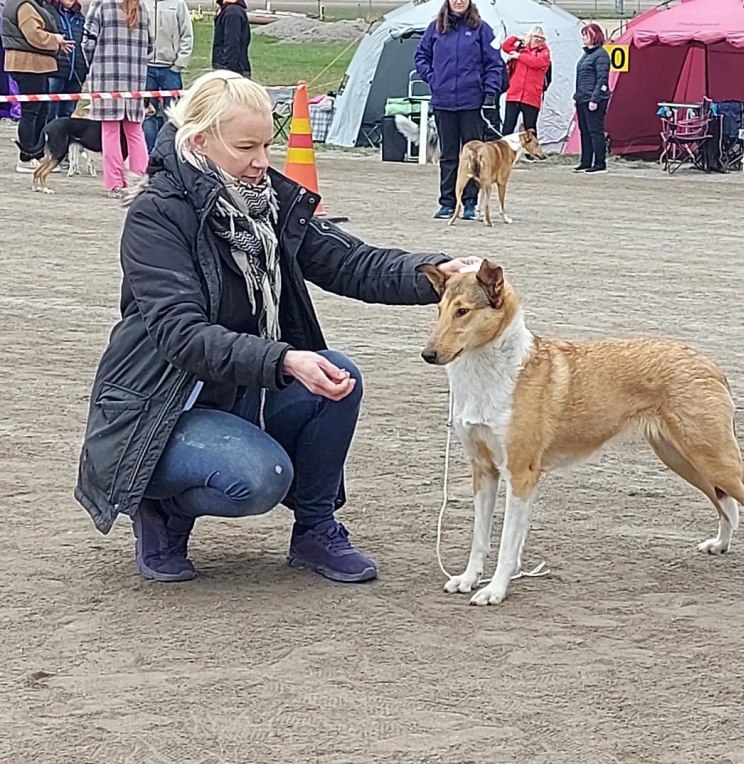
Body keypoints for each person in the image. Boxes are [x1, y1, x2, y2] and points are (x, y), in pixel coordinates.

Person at [73, 70, 480, 584]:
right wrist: (284, 358)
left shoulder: (271, 203)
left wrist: (436, 275)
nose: (263, 161)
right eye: (246, 146)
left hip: (243, 388)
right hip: (162, 408)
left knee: (338, 378)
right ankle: (162, 510)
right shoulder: (157, 216)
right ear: (200, 141)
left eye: (268, 143)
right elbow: (182, 335)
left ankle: (315, 530)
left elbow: (350, 263)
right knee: (260, 478)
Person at [414, 0, 504, 221]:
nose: (459, 1)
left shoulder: (482, 30)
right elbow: (421, 57)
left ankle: (470, 203)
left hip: (471, 101)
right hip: (443, 101)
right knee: (449, 154)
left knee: (474, 156)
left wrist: (490, 91)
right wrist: (433, 78)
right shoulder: (435, 28)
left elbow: (495, 63)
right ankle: (447, 202)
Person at [83, 0, 152, 197]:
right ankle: (140, 180)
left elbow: (88, 41)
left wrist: (93, 65)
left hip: (106, 76)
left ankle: (115, 184)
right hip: (135, 80)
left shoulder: (101, 5)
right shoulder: (141, 7)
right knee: (135, 131)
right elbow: (150, 46)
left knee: (110, 131)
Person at [2, 0, 74, 172]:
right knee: (31, 112)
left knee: (41, 110)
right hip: (27, 65)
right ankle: (26, 157)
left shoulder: (29, 5)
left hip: (36, 65)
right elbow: (34, 34)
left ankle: (38, 153)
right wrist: (55, 39)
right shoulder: (24, 6)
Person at [141, 0, 193, 151]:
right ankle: (150, 154)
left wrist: (179, 63)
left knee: (173, 116)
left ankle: (170, 152)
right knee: (147, 114)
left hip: (170, 70)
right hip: (146, 69)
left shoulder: (178, 4)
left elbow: (187, 34)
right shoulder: (141, 3)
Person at [573, 22, 610, 175]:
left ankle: (599, 162)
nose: (583, 38)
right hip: (582, 98)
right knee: (585, 131)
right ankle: (586, 161)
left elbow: (602, 79)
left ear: (594, 36)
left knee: (595, 131)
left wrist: (595, 99)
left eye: (586, 35)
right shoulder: (586, 55)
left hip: (594, 99)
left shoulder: (601, 55)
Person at [500, 25, 550, 136]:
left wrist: (519, 57)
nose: (538, 40)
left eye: (541, 38)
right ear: (530, 37)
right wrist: (517, 38)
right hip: (514, 94)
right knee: (508, 126)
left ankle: (531, 153)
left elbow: (537, 62)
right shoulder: (520, 50)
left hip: (531, 96)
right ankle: (505, 152)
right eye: (536, 36)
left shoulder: (544, 52)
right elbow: (505, 46)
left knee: (530, 128)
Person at [45, 0, 85, 123]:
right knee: (48, 113)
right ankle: (43, 141)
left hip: (76, 72)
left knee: (67, 115)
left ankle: (61, 142)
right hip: (54, 71)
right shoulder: (47, 12)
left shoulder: (80, 17)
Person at [211, 0, 249, 77]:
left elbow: (232, 45)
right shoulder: (228, 10)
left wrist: (225, 71)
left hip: (233, 72)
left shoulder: (232, 12)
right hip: (230, 69)